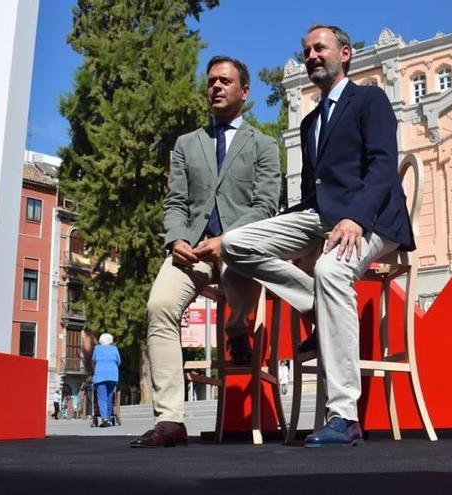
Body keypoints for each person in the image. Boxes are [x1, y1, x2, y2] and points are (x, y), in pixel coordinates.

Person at [222, 24, 414, 447]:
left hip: (376, 218)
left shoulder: (370, 99)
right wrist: (284, 232)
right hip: (318, 216)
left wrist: (356, 219)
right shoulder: (310, 122)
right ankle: (317, 306)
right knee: (236, 244)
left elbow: (383, 166)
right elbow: (312, 192)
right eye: (306, 50)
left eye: (319, 48)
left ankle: (344, 417)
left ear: (344, 54)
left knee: (330, 269)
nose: (311, 56)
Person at [130, 55, 281, 448]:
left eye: (225, 81)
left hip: (238, 250)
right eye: (211, 81)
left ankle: (237, 327)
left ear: (244, 91)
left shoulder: (264, 145)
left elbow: (266, 206)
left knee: (242, 285)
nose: (215, 86)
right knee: (159, 307)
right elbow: (175, 201)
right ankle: (170, 421)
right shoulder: (185, 144)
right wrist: (175, 238)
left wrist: (227, 239)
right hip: (192, 251)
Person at [92, 333, 121, 427]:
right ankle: (108, 417)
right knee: (109, 397)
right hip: (112, 375)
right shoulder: (114, 349)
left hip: (100, 375)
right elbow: (119, 361)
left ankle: (104, 419)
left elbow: (93, 360)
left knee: (102, 398)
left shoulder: (97, 348)